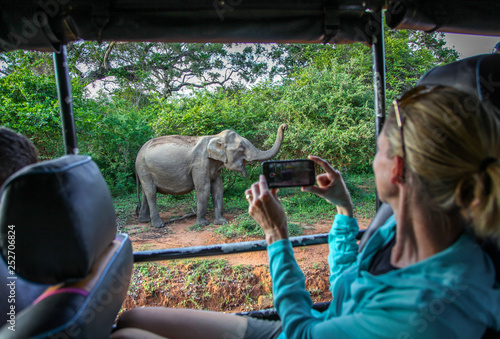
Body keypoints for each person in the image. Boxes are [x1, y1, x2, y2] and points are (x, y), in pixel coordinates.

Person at [112, 85, 500, 338]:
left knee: (128, 335)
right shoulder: (405, 228)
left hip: (301, 330)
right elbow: (350, 283)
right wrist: (346, 210)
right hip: (323, 323)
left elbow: (300, 333)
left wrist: (276, 236)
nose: (373, 157)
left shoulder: (414, 317)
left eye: (378, 150)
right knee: (132, 318)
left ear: (397, 169)